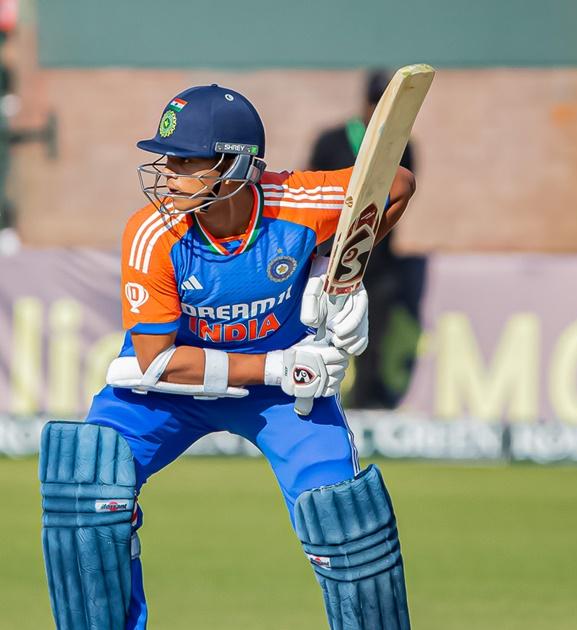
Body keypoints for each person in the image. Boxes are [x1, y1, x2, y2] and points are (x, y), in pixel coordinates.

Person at [39, 84, 415, 630]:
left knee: (345, 521)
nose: (168, 174)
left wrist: (334, 269)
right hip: (173, 387)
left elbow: (396, 183)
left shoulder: (296, 202)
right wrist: (276, 367)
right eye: (166, 160)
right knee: (86, 485)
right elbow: (155, 359)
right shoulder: (153, 232)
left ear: (235, 165)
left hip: (283, 398)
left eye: (184, 161)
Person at [309, 68, 424, 408]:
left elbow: (403, 192)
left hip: (379, 257)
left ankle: (367, 398)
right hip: (332, 255)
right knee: (323, 325)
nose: (376, 110)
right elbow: (314, 190)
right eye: (374, 102)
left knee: (372, 331)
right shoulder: (332, 140)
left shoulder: (402, 145)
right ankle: (317, 390)